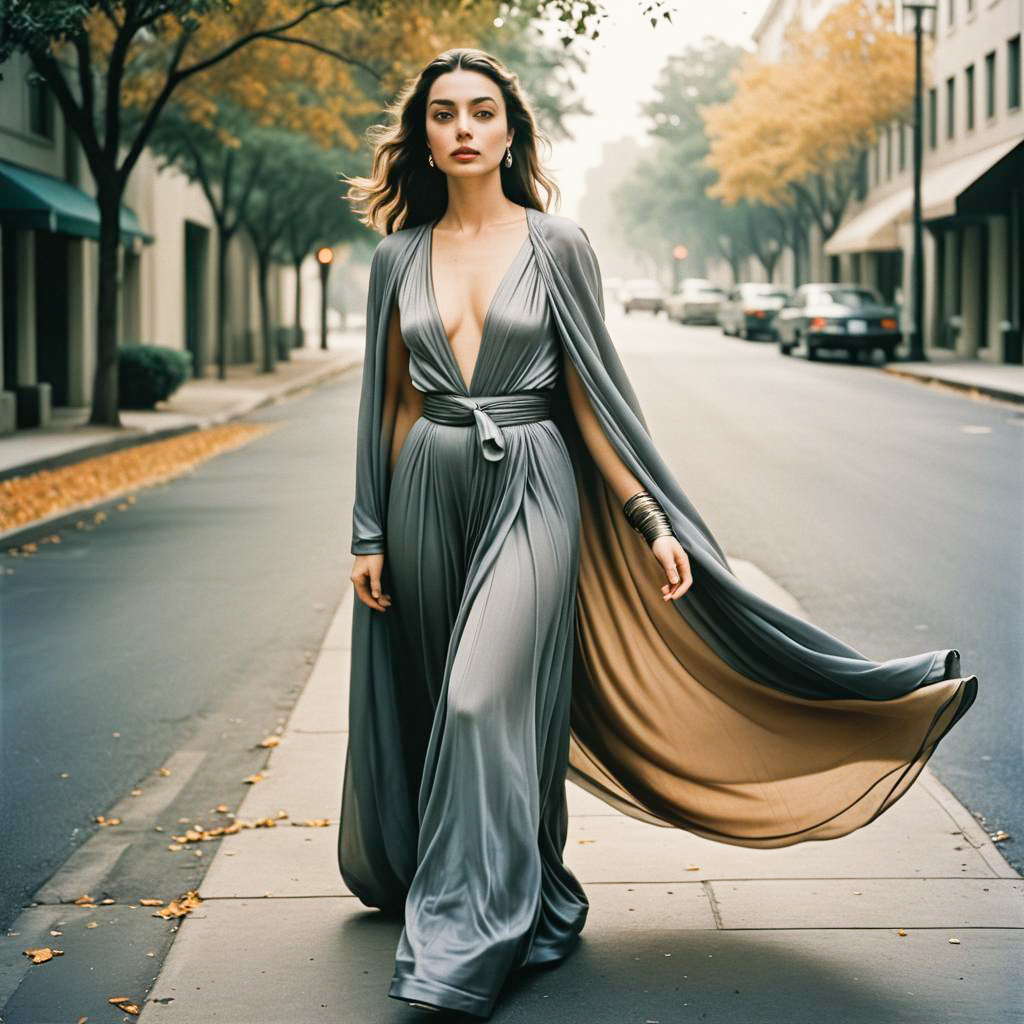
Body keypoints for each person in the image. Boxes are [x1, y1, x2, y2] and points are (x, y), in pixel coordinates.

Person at [337, 47, 978, 1020]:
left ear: (511, 132)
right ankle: (536, 890)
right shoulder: (397, 256)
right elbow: (388, 402)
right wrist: (368, 529)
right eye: (441, 113)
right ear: (421, 135)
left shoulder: (558, 246)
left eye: (480, 111)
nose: (462, 128)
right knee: (457, 710)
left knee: (482, 697)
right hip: (426, 487)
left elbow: (590, 401)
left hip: (536, 488)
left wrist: (648, 518)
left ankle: (461, 940)